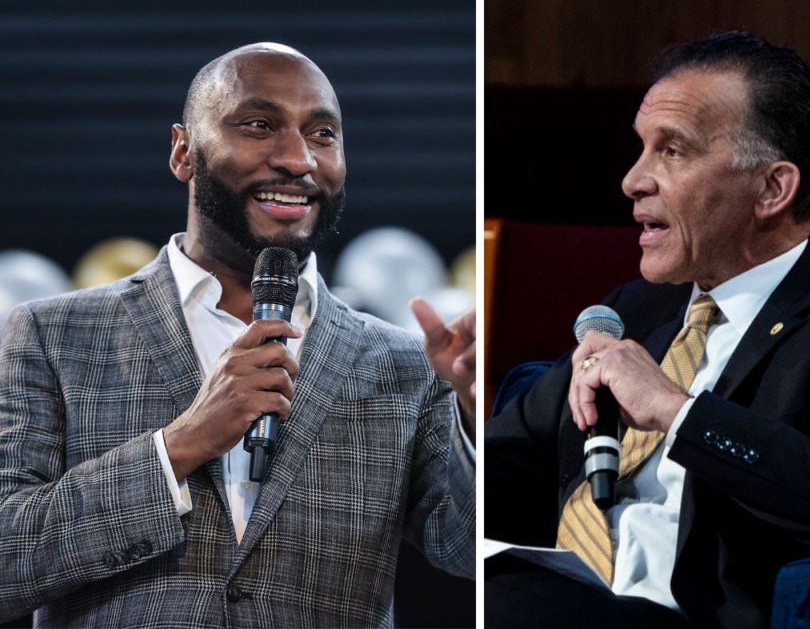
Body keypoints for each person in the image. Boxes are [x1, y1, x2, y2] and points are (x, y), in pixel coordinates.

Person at [0, 42, 476, 627]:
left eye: (323, 134)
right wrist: (178, 448)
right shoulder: (50, 334)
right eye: (259, 125)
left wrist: (476, 418)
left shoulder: (405, 361)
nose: (298, 159)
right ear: (184, 152)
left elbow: (465, 551)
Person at [484, 30, 810, 629]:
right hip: (560, 597)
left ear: (772, 189)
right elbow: (496, 468)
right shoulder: (637, 310)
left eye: (672, 151)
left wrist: (679, 413)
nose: (633, 180)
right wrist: (448, 403)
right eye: (642, 148)